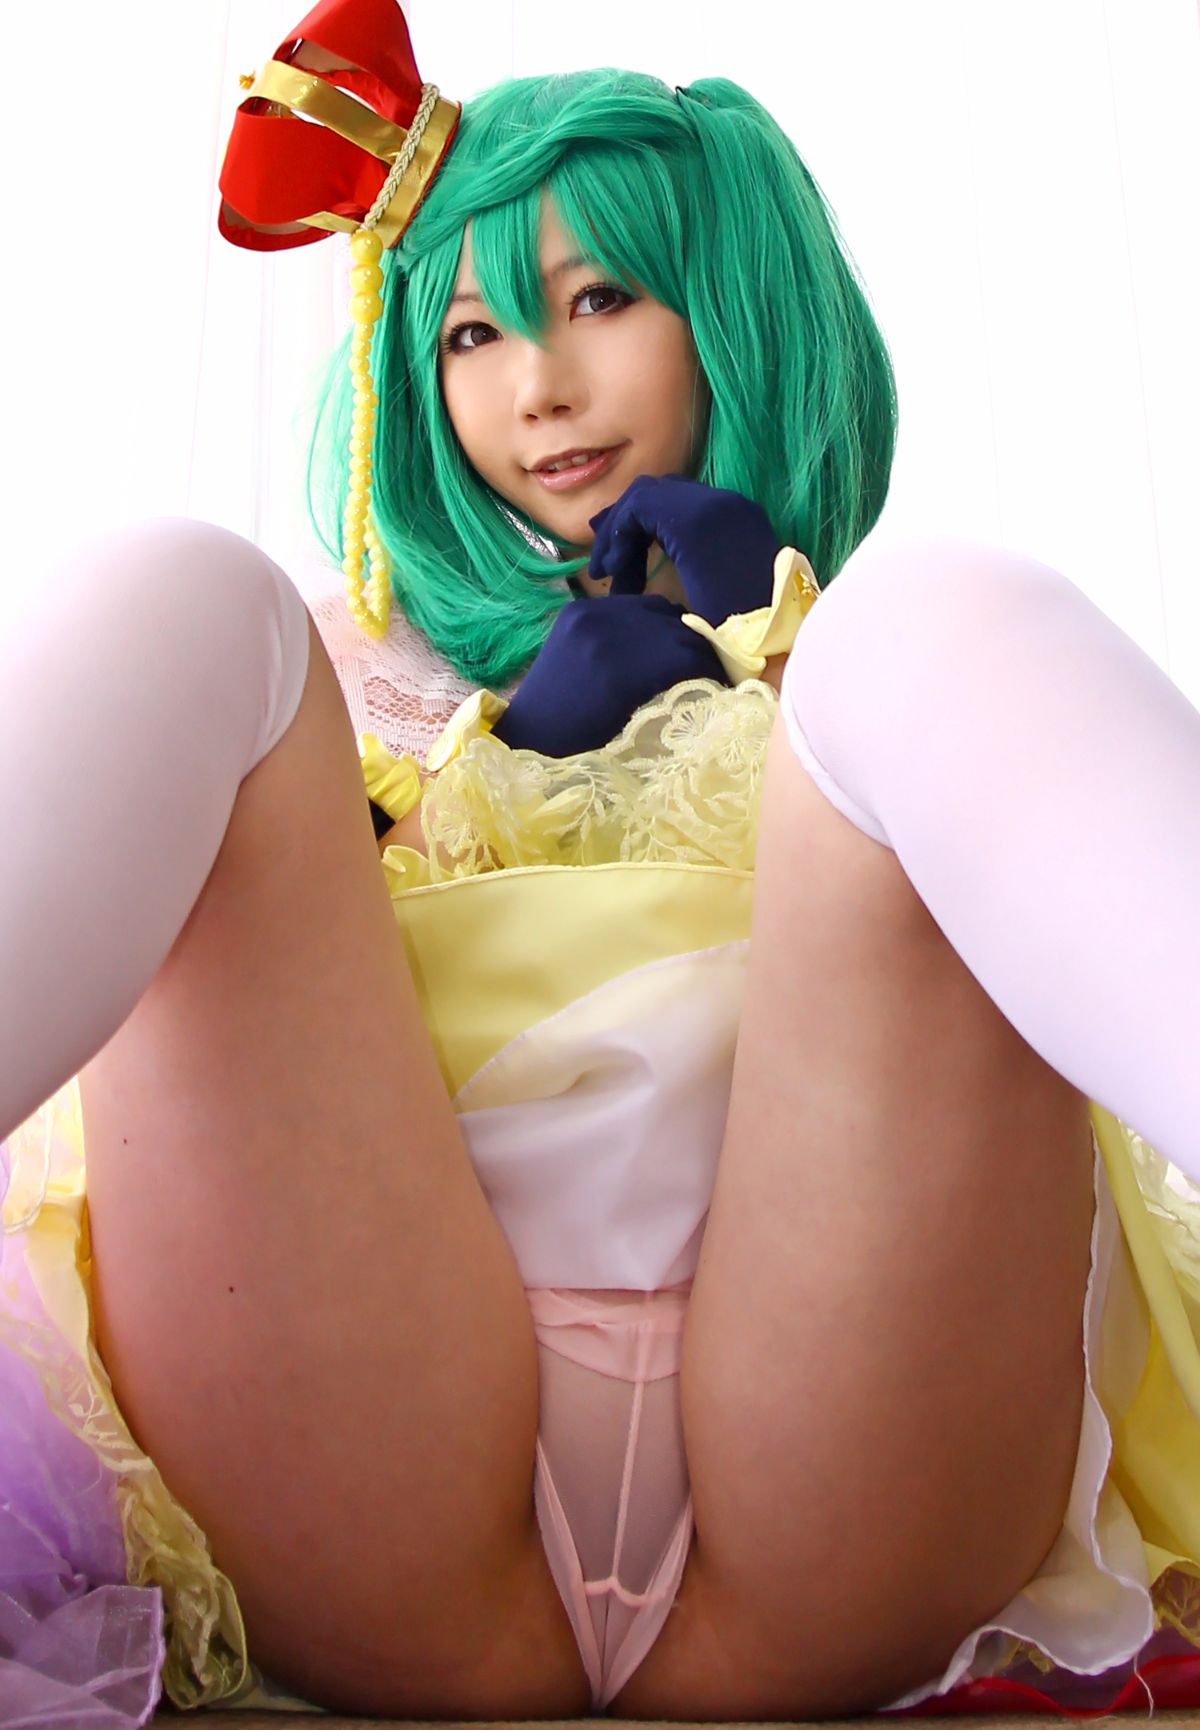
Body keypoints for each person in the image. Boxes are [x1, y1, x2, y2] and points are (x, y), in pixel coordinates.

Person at [3, 0, 1200, 1722]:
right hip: (368, 1465)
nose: (539, 386)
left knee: (938, 606)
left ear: (729, 305)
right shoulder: (322, 684)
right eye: (474, 331)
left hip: (842, 1477)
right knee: (180, 592)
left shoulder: (876, 686)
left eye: (602, 299)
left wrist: (770, 644)